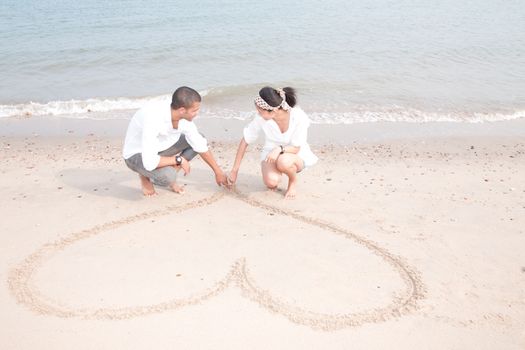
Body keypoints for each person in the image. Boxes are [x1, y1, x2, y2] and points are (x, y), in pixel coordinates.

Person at [123, 86, 228, 196]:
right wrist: (179, 160)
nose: (197, 113)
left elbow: (199, 144)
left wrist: (218, 172)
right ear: (182, 110)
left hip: (160, 148)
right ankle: (144, 176)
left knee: (199, 138)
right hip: (137, 154)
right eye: (195, 110)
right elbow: (149, 162)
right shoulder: (153, 119)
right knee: (167, 177)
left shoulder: (182, 116)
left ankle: (168, 169)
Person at [228, 86, 318, 198]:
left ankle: (292, 180)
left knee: (283, 161)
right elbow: (245, 140)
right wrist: (234, 170)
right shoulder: (260, 118)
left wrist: (279, 149)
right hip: (270, 153)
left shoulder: (298, 117)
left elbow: (296, 148)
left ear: (274, 110)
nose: (258, 114)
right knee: (271, 182)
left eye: (261, 111)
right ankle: (277, 170)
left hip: (295, 154)